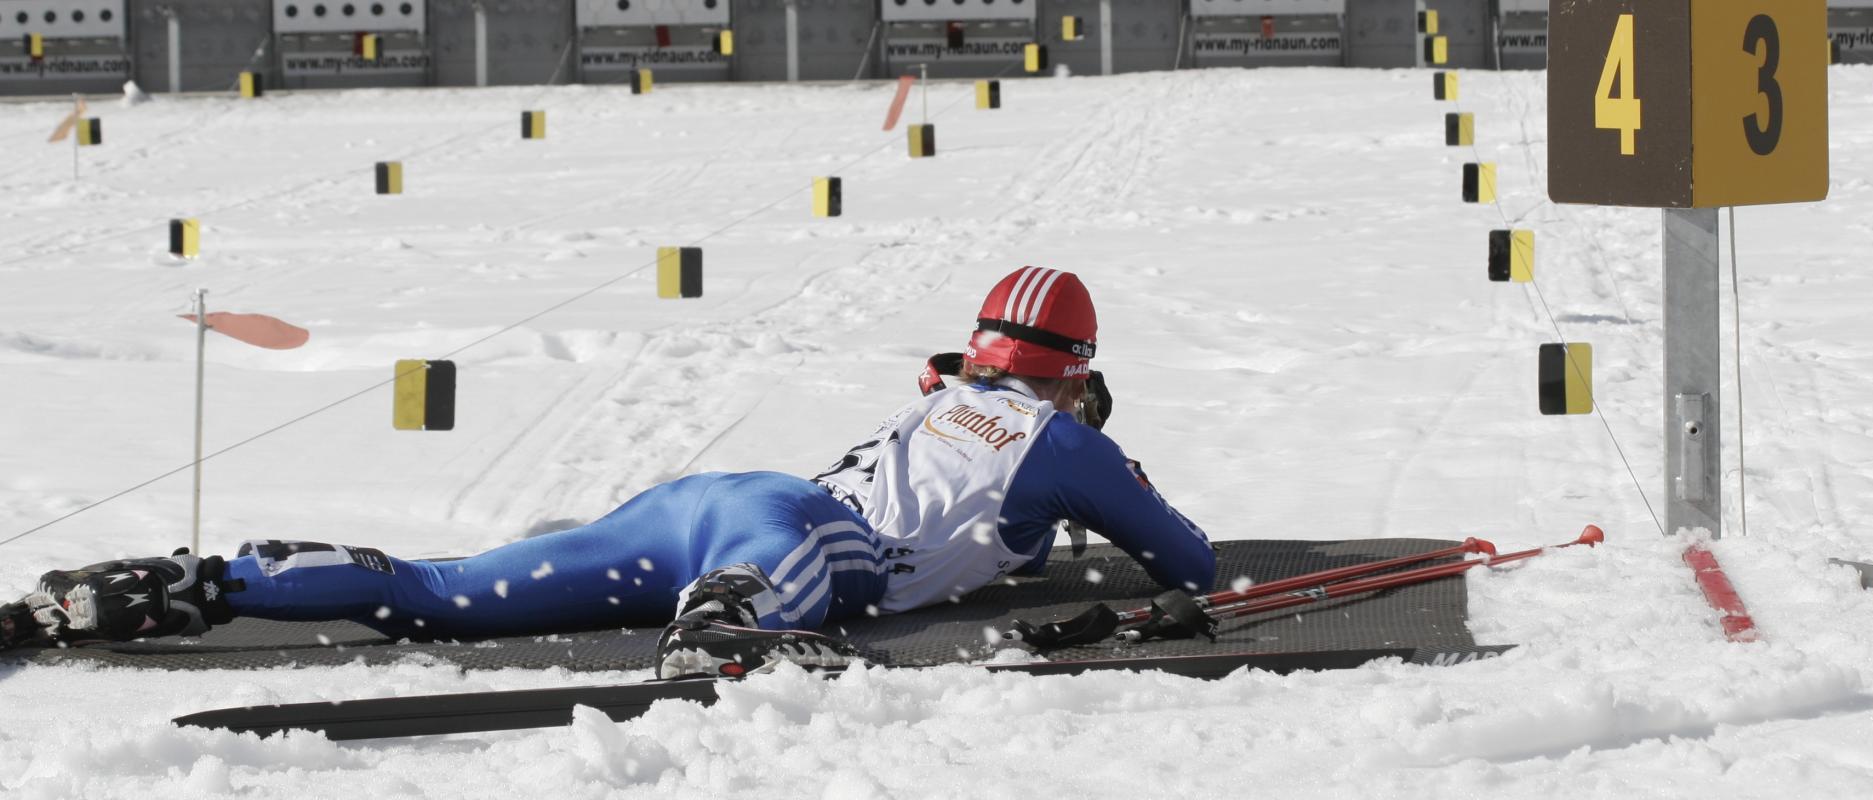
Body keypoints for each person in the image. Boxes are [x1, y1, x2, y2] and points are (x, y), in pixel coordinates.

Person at [10, 267, 1216, 678]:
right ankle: (725, 622)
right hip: (789, 534)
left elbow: (971, 423)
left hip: (701, 502)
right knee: (791, 579)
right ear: (1074, 373)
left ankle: (186, 584)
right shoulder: (1066, 440)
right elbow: (1189, 562)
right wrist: (1107, 462)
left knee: (439, 592)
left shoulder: (950, 395)